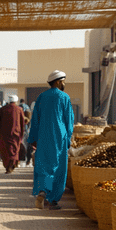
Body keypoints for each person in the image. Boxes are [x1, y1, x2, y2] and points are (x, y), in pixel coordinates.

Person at [28, 70, 74, 210]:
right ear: (58, 82)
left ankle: (42, 191)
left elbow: (35, 120)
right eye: (63, 81)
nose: (64, 83)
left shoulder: (41, 97)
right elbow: (69, 121)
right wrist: (68, 138)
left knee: (44, 165)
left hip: (43, 137)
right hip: (59, 137)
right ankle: (53, 200)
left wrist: (33, 139)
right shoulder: (64, 97)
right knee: (59, 167)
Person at [0, 95, 25, 174]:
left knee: (6, 150)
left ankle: (8, 166)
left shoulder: (3, 109)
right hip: (16, 134)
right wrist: (22, 133)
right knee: (14, 149)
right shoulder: (19, 109)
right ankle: (12, 164)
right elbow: (22, 123)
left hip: (4, 134)